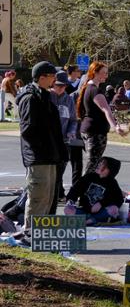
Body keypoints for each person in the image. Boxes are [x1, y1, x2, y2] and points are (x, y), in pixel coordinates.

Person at [17, 62, 66, 233]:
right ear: (42, 77)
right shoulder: (30, 98)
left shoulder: (44, 96)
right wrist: (45, 146)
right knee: (38, 197)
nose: (55, 79)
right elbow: (27, 130)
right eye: (52, 76)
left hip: (50, 156)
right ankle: (30, 233)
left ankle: (42, 235)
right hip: (39, 157)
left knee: (48, 197)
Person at [76, 62, 128, 176]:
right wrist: (115, 127)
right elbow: (106, 110)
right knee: (92, 166)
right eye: (104, 73)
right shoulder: (94, 90)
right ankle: (81, 191)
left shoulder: (88, 87)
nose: (106, 75)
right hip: (95, 133)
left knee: (93, 165)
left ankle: (85, 190)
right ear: (95, 73)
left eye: (107, 72)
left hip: (89, 130)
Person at [51, 71, 83, 204]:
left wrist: (71, 131)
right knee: (52, 169)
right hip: (50, 139)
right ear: (53, 84)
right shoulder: (47, 97)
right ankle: (55, 193)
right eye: (58, 85)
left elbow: (73, 120)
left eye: (64, 86)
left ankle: (58, 193)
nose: (61, 88)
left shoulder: (69, 99)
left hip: (65, 140)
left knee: (61, 167)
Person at [63, 157, 125, 225]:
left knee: (113, 209)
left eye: (102, 164)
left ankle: (90, 220)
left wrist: (101, 203)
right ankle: (91, 220)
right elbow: (75, 190)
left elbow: (119, 199)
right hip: (84, 211)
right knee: (68, 210)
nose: (99, 164)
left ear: (109, 170)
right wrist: (70, 201)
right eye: (99, 162)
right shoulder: (89, 177)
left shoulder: (112, 183)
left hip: (100, 212)